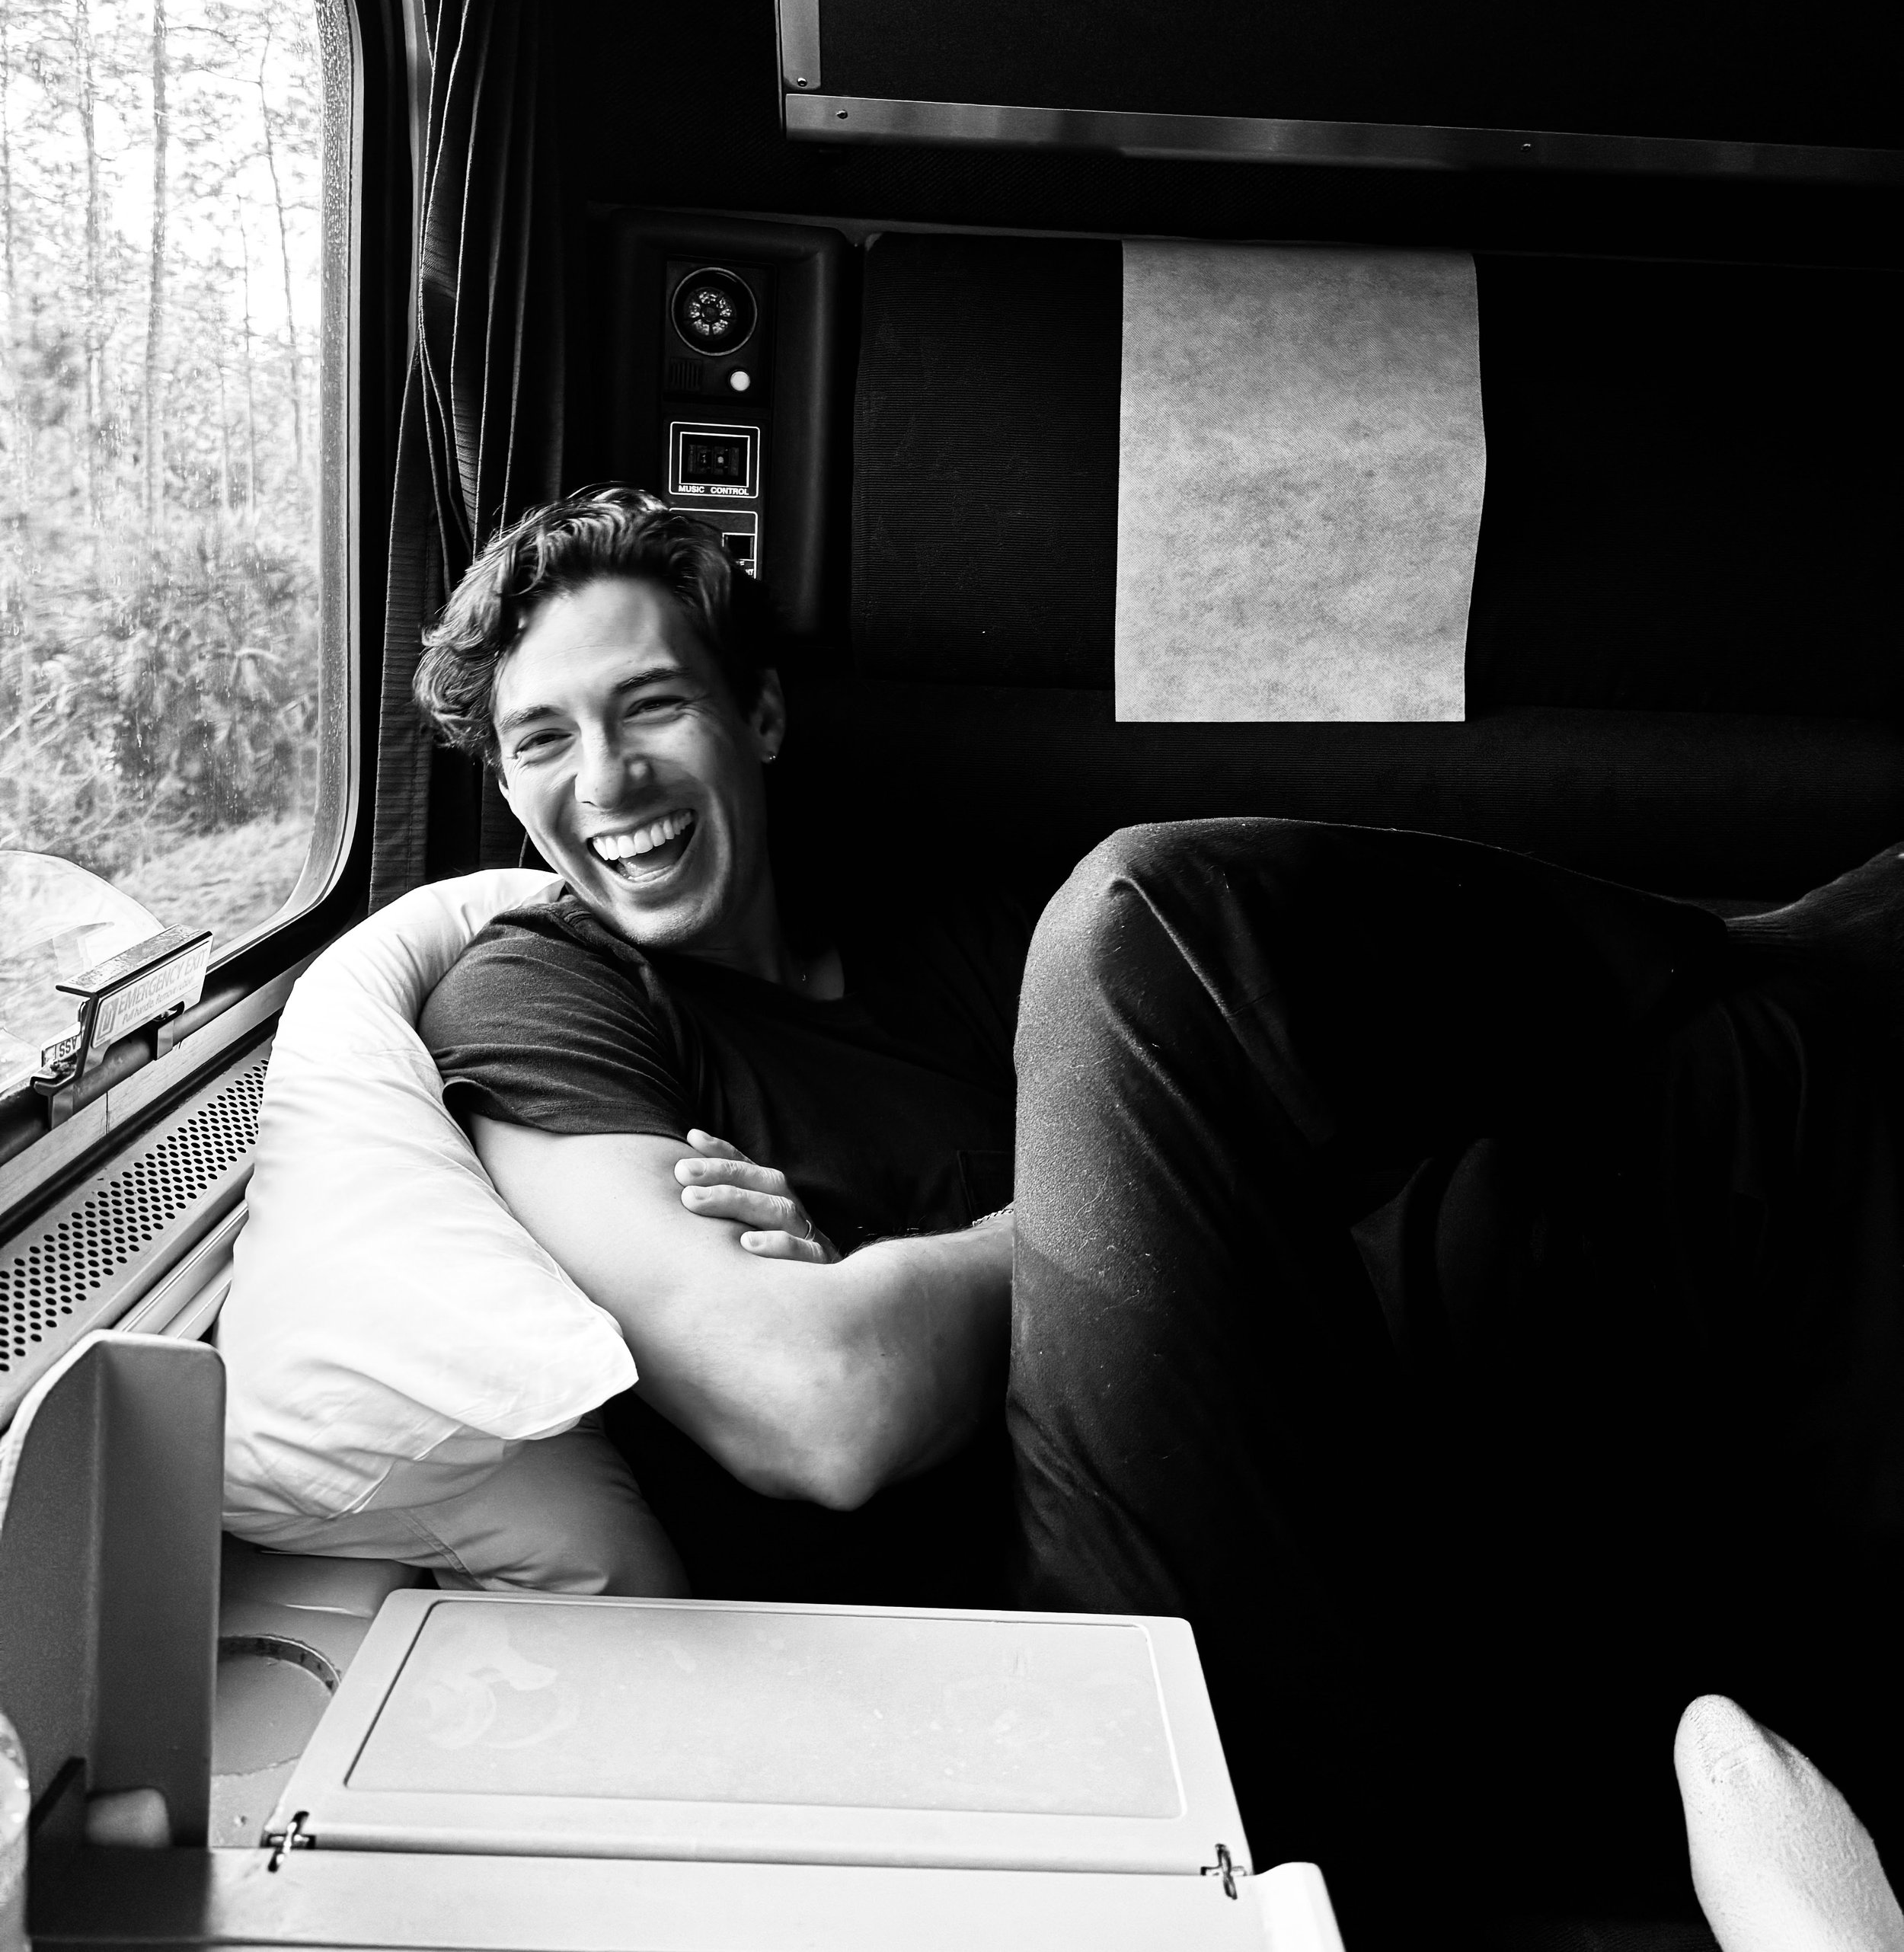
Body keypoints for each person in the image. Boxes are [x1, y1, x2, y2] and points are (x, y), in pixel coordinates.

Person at [414, 486, 1904, 1947]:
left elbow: (1230, 1193)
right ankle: (1742, 955)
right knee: (1143, 918)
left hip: (1285, 1480)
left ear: (762, 717)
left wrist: (952, 1258)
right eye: (544, 738)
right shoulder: (549, 992)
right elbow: (823, 1395)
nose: (604, 779)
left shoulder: (926, 940)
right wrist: (1135, 1199)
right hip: (1051, 1649)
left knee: (1655, 1102)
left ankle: (1769, 1750)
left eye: (649, 706)